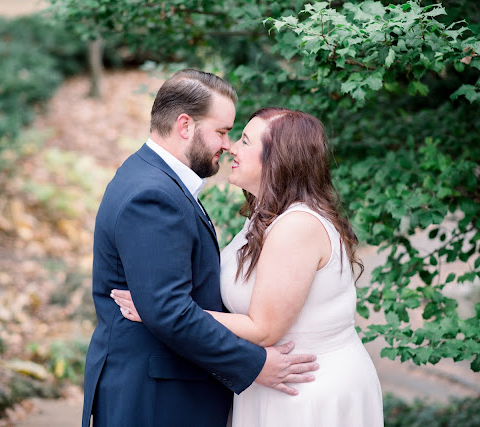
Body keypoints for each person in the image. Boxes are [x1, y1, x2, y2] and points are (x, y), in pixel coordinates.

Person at [112, 107, 384, 426]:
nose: (231, 147)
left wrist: (160, 311)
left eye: (244, 140)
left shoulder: (296, 226)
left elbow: (264, 328)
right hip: (271, 381)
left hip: (306, 391)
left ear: (278, 158)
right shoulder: (265, 214)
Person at [82, 70, 320, 427]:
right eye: (222, 132)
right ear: (185, 126)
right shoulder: (154, 195)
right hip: (153, 398)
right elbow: (170, 312)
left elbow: (164, 306)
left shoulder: (151, 177)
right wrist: (254, 364)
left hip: (159, 386)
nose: (227, 145)